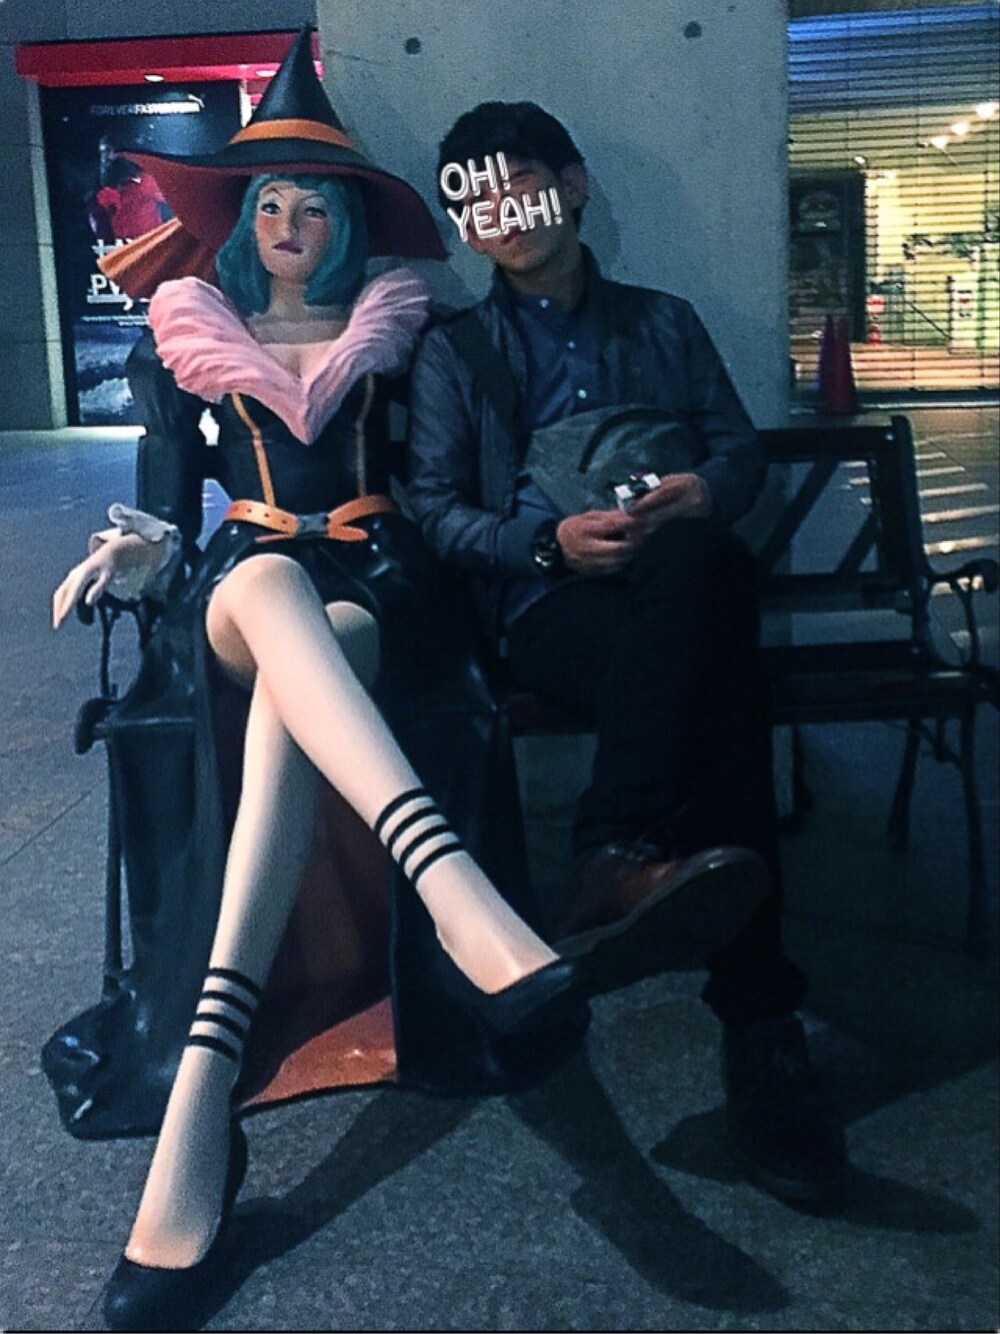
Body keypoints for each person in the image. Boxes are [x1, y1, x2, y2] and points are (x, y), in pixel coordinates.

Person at [50, 41, 598, 1331]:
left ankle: (200, 1107)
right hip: (236, 587)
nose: (290, 223)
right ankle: (458, 895)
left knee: (297, 680)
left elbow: (438, 485)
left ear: (347, 224)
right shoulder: (190, 337)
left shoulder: (400, 336)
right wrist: (132, 552)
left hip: (372, 583)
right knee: (264, 585)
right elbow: (170, 509)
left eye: (314, 204)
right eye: (269, 204)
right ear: (241, 224)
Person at [406, 101, 848, 1210]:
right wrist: (544, 544)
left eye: (517, 184)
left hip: (671, 593)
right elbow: (434, 509)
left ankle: (615, 848)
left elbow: (737, 451)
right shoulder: (455, 351)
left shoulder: (663, 323)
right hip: (551, 609)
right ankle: (762, 1027)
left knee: (700, 578)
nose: (499, 213)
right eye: (474, 200)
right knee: (718, 668)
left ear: (571, 184)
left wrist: (705, 487)